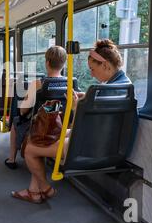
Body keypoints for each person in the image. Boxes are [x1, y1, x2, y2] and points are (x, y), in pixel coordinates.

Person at [11, 39, 133, 204]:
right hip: (114, 146)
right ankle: (34, 191)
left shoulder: (104, 91)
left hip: (90, 149)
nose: (91, 74)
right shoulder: (123, 85)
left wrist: (76, 108)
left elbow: (81, 128)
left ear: (105, 65)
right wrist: (87, 99)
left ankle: (46, 189)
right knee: (43, 140)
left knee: (31, 149)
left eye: (92, 69)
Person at [4, 46, 67, 170]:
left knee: (16, 122)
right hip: (62, 124)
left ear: (47, 63)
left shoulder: (38, 84)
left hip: (40, 125)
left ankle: (11, 159)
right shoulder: (70, 82)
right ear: (63, 64)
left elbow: (23, 111)